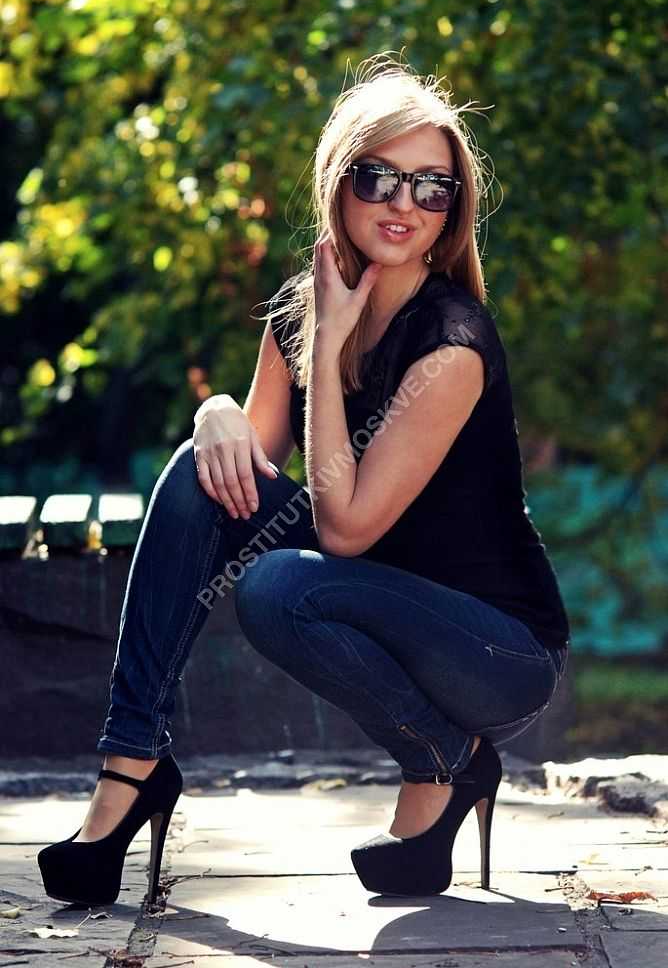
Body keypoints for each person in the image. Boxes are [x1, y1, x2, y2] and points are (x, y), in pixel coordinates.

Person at [38, 54, 570, 905]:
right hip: (375, 599)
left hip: (494, 652)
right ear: (339, 182)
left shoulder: (452, 344)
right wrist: (216, 411)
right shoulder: (301, 310)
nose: (403, 204)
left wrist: (327, 346)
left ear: (453, 209)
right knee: (197, 476)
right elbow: (235, 484)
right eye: (380, 177)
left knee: (281, 587)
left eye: (432, 187)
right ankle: (132, 764)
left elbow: (345, 529)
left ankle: (446, 756)